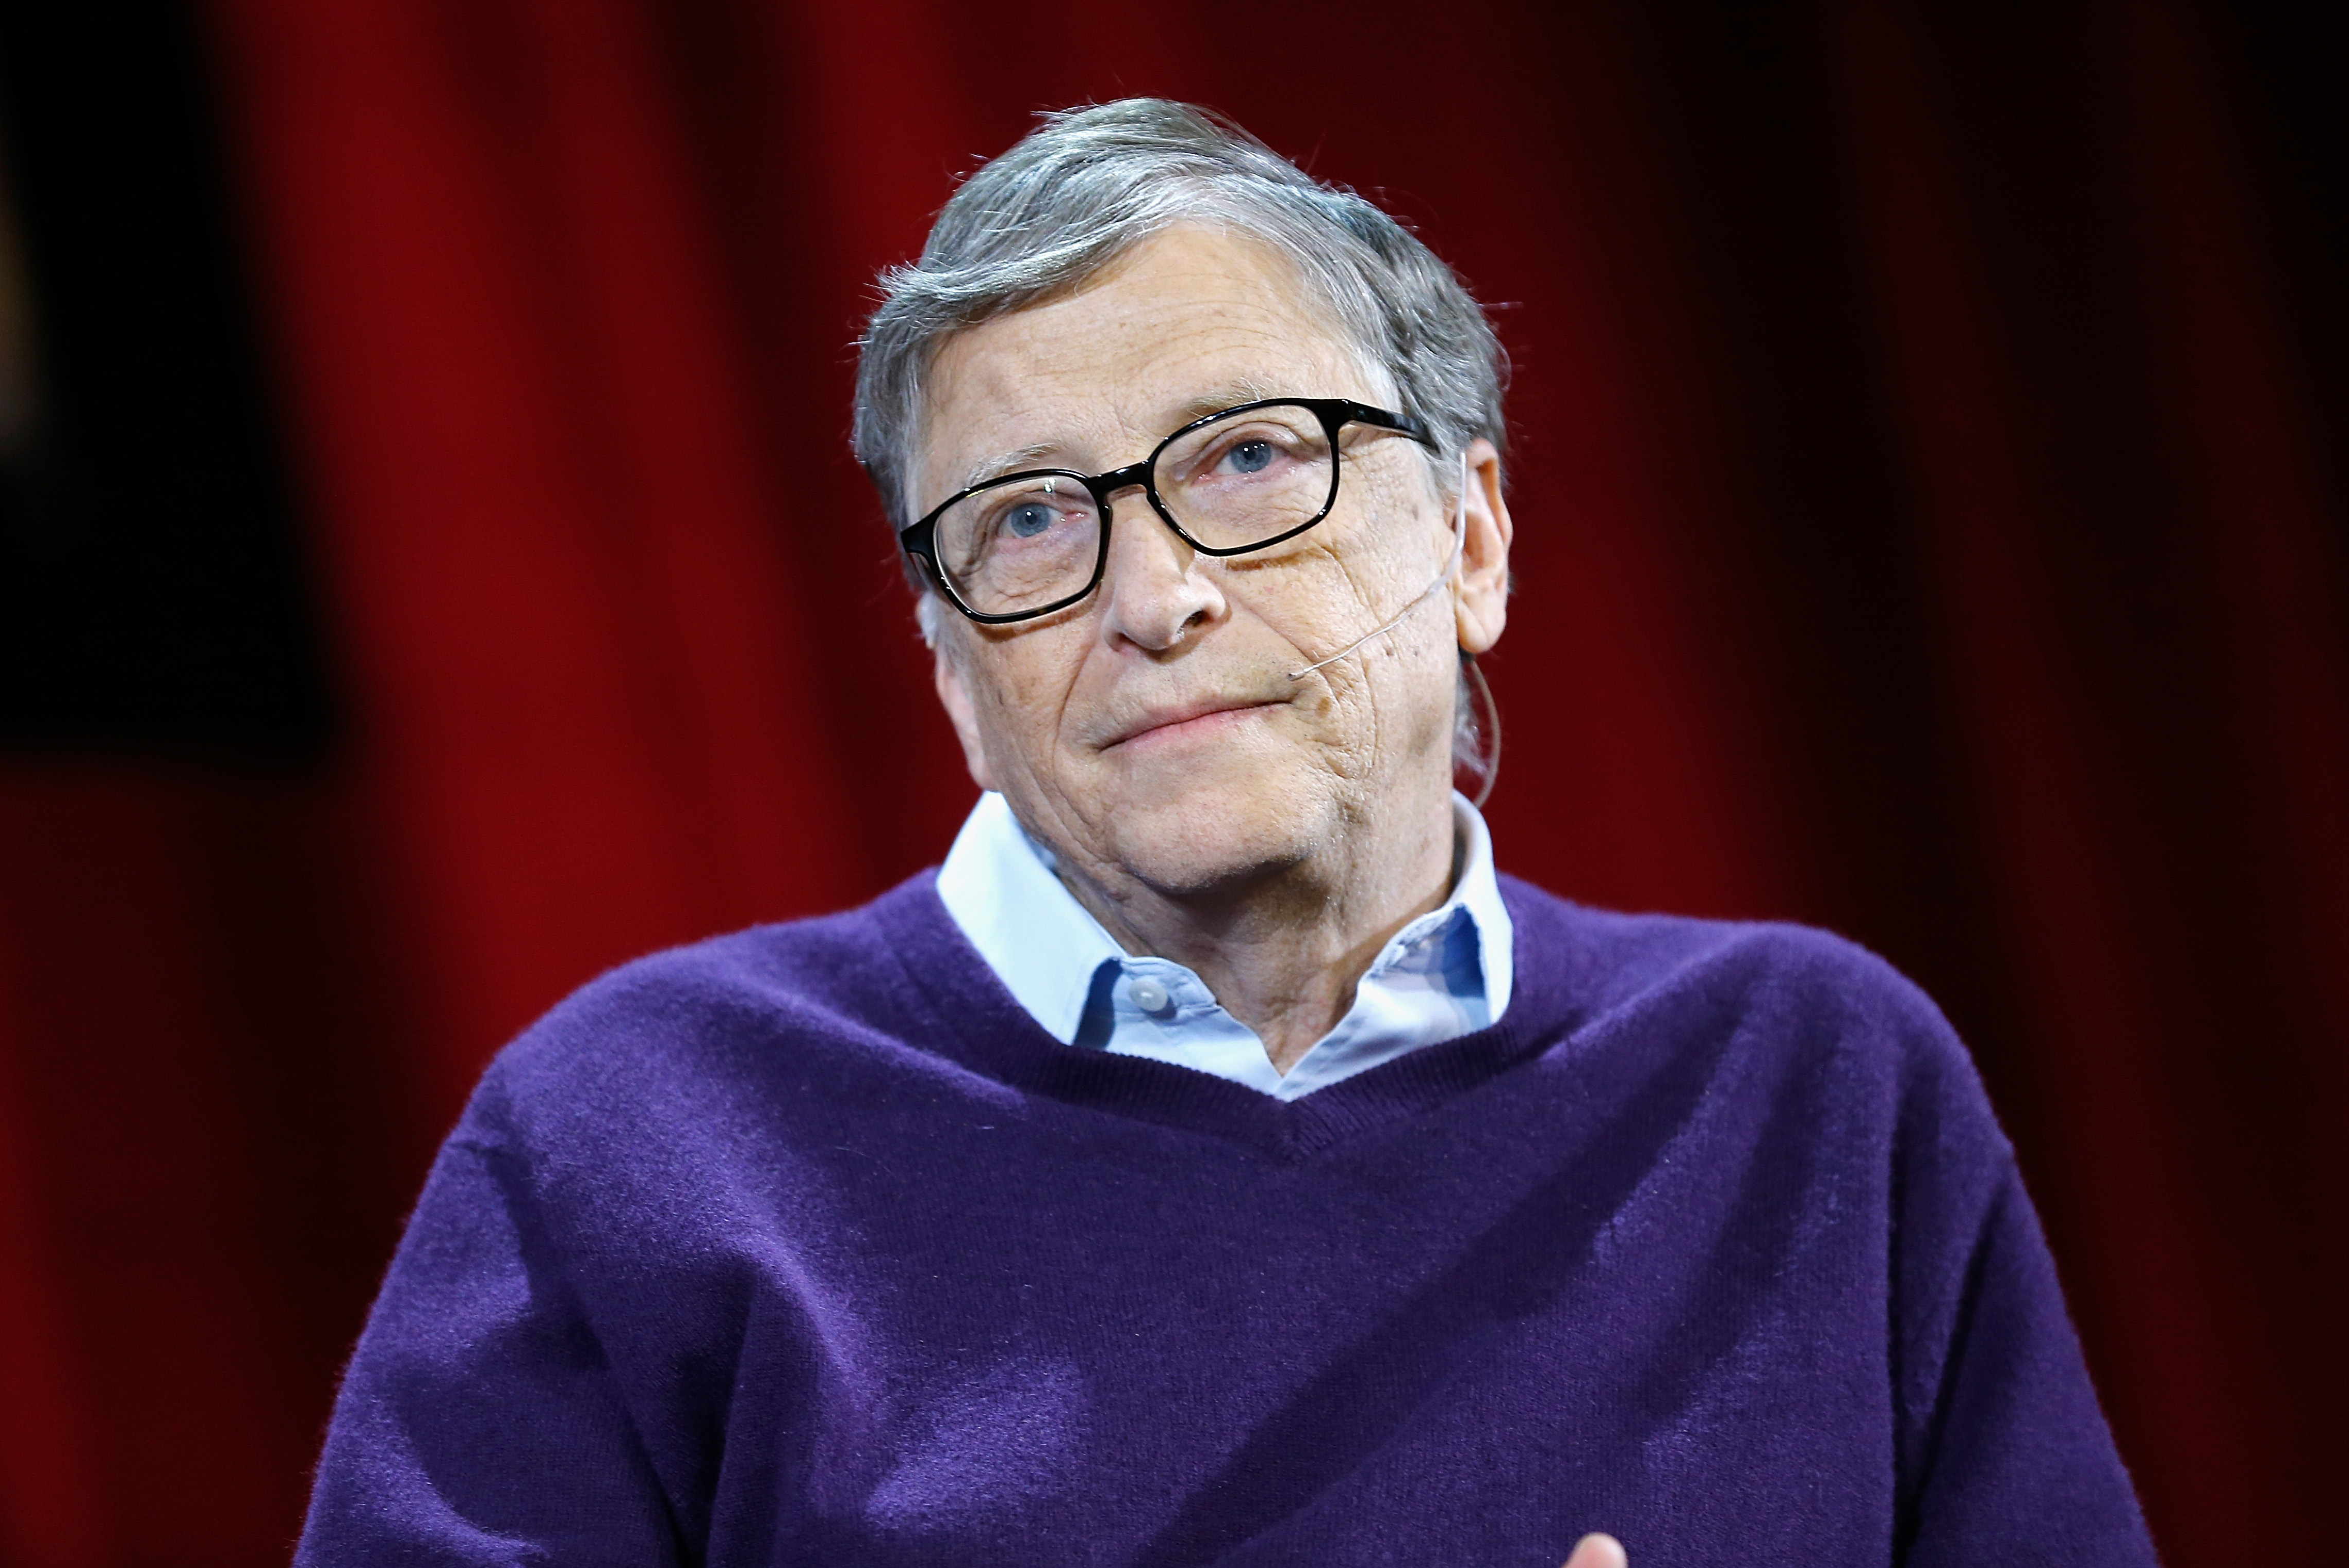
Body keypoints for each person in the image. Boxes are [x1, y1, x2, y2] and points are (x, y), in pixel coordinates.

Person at [293, 100, 2155, 1567]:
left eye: (1250, 459)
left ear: (1472, 541)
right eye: (1026, 520)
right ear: (951, 667)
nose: (1153, 593)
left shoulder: (1810, 1085)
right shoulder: (635, 1138)